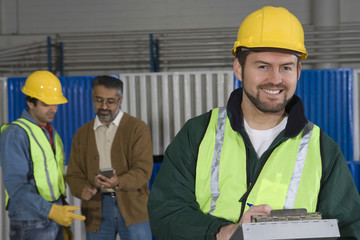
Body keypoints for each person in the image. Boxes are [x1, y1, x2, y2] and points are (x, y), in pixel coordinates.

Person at [147, 6, 360, 240]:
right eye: (263, 66)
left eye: (286, 67)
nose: (276, 79)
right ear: (239, 68)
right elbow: (165, 213)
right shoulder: (197, 134)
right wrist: (224, 232)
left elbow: (349, 229)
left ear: (298, 71)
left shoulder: (323, 149)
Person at [0, 70, 85, 239]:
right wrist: (52, 211)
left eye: (56, 103)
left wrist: (61, 208)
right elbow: (16, 186)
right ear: (30, 103)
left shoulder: (52, 134)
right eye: (46, 104)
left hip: (53, 217)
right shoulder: (16, 134)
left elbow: (53, 182)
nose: (53, 109)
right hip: (31, 222)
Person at [66, 75, 153, 240]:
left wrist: (118, 181)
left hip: (133, 207)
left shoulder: (137, 128)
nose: (104, 106)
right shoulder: (82, 134)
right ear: (92, 98)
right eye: (99, 100)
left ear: (120, 101)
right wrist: (82, 188)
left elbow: (143, 171)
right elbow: (73, 174)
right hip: (96, 209)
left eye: (110, 101)